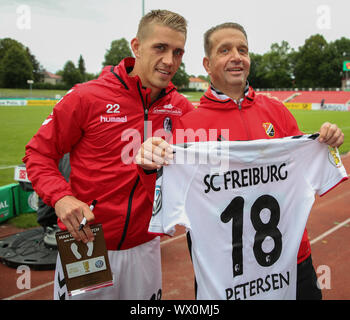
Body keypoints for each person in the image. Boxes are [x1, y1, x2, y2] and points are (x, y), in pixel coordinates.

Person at [136, 22, 344, 300]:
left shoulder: (277, 112)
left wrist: (327, 142)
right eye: (225, 50)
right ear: (207, 64)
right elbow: (166, 202)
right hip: (226, 277)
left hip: (292, 262)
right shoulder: (186, 126)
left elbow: (307, 169)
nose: (236, 56)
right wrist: (149, 167)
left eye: (242, 49)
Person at [23, 9, 194, 300]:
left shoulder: (181, 108)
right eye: (160, 48)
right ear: (137, 47)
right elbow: (38, 153)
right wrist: (61, 198)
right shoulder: (86, 97)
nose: (170, 61)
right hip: (86, 241)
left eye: (178, 52)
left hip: (145, 246)